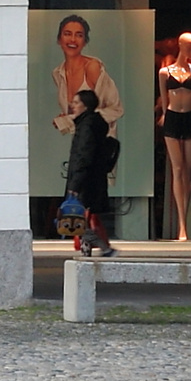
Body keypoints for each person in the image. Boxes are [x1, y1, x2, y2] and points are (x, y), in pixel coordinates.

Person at [157, 32, 191, 242]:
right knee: (177, 168)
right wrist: (164, 117)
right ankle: (181, 226)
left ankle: (186, 223)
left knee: (188, 170)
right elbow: (165, 99)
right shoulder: (165, 73)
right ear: (180, 45)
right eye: (189, 46)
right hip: (173, 118)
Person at [52, 14, 122, 136]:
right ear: (59, 39)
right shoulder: (58, 73)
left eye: (79, 35)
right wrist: (67, 118)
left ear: (85, 41)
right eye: (67, 34)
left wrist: (68, 120)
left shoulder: (92, 67)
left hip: (101, 142)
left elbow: (115, 110)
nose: (73, 39)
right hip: (80, 142)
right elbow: (77, 113)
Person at [66, 89, 117, 257]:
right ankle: (94, 247)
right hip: (93, 178)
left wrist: (75, 183)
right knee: (86, 217)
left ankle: (102, 247)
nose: (72, 106)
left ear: (85, 105)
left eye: (76, 103)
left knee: (81, 218)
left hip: (86, 179)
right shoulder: (93, 124)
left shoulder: (86, 126)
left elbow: (83, 155)